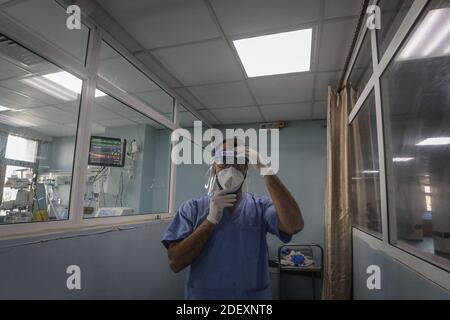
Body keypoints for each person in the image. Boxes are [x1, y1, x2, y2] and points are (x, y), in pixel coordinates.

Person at [161, 138, 304, 299]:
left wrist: (266, 169)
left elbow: (294, 225)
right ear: (214, 167)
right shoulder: (192, 209)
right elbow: (175, 262)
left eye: (238, 161)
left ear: (246, 168)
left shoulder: (260, 207)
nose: (230, 168)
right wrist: (210, 222)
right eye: (224, 161)